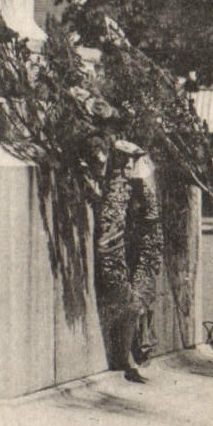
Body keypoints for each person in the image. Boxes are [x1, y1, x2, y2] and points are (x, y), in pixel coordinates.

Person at [94, 139, 163, 382]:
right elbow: (109, 238)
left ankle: (131, 357)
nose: (131, 165)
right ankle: (125, 359)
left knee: (137, 303)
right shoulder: (116, 188)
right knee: (130, 304)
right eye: (127, 160)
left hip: (127, 254)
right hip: (114, 258)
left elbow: (150, 216)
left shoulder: (131, 184)